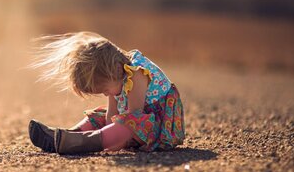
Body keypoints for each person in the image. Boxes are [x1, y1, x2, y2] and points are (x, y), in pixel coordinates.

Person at [28, 32, 185, 154]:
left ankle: (78, 142)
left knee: (130, 123)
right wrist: (108, 129)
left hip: (157, 124)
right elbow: (111, 115)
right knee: (99, 116)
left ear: (114, 71)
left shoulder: (137, 74)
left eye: (104, 90)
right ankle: (67, 135)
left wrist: (113, 139)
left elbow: (135, 115)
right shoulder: (116, 76)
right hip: (137, 119)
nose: (105, 94)